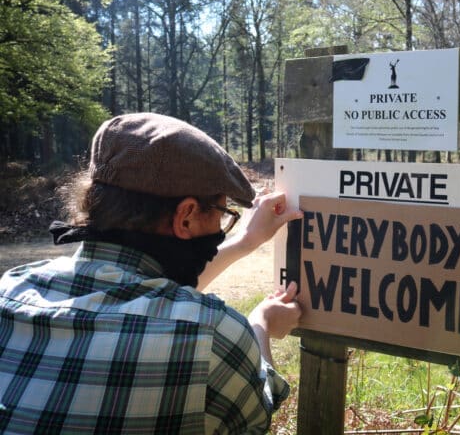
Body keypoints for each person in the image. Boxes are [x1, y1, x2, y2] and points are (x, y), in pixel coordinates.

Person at [0, 112, 302, 434]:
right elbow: (257, 413)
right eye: (222, 213)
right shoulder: (214, 337)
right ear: (186, 216)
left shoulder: (11, 290)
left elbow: (140, 292)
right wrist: (260, 325)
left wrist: (246, 241)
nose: (222, 227)